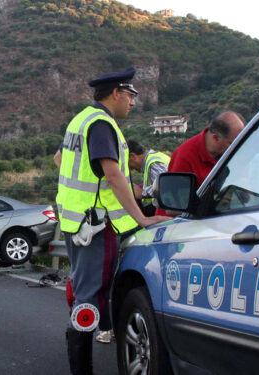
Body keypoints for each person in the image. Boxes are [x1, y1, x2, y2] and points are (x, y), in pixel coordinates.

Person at [55, 67, 169, 374]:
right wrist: (141, 219)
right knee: (90, 299)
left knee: (85, 294)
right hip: (96, 225)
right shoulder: (103, 123)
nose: (132, 102)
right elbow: (114, 175)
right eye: (130, 95)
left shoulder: (80, 120)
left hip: (75, 222)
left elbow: (59, 160)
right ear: (116, 93)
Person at [167, 111, 246, 188]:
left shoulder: (231, 153)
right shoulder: (185, 158)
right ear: (216, 138)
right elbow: (176, 196)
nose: (237, 148)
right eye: (232, 144)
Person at [127, 139, 169, 217]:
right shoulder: (155, 157)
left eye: (128, 163)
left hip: (166, 211)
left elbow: (165, 187)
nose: (130, 168)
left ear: (132, 156)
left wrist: (142, 193)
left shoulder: (154, 162)